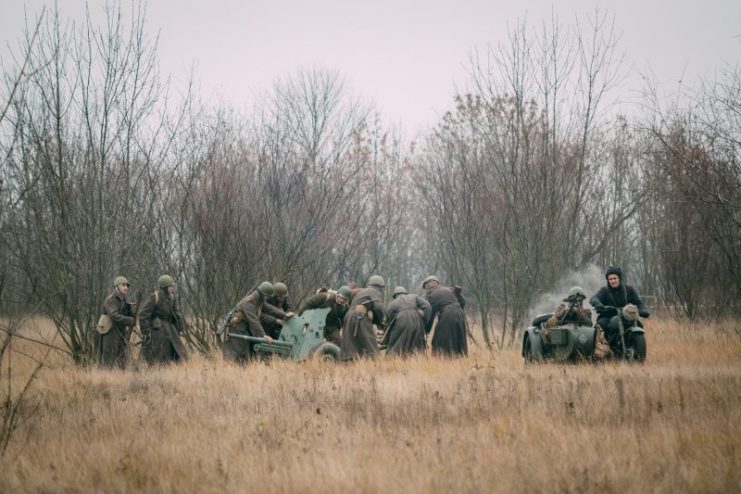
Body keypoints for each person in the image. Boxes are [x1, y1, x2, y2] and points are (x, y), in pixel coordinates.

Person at [223, 282, 294, 364]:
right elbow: (253, 320)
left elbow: (270, 309)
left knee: (246, 352)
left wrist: (285, 314)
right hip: (237, 328)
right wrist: (263, 335)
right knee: (240, 352)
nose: (268, 298)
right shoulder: (249, 302)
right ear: (264, 294)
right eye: (267, 296)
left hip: (244, 327)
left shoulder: (258, 300)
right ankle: (233, 370)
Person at [589, 266, 650, 353]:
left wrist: (642, 310)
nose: (613, 281)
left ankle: (635, 348)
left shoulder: (629, 289)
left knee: (638, 324)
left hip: (625, 315)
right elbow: (594, 298)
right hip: (608, 316)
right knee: (600, 325)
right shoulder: (604, 290)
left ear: (619, 278)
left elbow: (638, 302)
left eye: (615, 278)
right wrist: (598, 303)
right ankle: (601, 351)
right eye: (610, 279)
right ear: (608, 280)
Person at [139, 275, 189, 365]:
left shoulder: (172, 297)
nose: (172, 288)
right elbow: (143, 315)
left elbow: (176, 312)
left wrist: (180, 325)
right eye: (170, 286)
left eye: (173, 286)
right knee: (156, 352)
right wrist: (146, 331)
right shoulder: (154, 297)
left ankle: (170, 367)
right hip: (156, 329)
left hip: (169, 327)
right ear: (164, 287)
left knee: (177, 349)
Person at [340, 275, 387, 361]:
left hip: (349, 317)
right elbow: (378, 307)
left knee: (351, 345)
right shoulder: (373, 291)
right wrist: (382, 322)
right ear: (379, 287)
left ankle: (349, 364)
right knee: (370, 344)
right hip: (360, 317)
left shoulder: (362, 291)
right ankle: (375, 363)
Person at [423, 275, 468, 357]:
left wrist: (426, 331)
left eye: (426, 287)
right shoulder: (450, 289)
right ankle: (461, 359)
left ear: (428, 286)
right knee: (459, 338)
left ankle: (444, 360)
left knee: (439, 339)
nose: (427, 290)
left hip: (448, 315)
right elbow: (463, 301)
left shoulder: (432, 295)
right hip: (460, 313)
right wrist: (457, 311)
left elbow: (431, 315)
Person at [381, 286, 431, 357]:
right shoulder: (414, 296)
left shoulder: (392, 304)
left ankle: (392, 360)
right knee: (417, 342)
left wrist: (386, 338)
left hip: (401, 319)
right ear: (405, 293)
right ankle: (418, 359)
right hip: (417, 319)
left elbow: (389, 323)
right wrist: (425, 318)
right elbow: (427, 305)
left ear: (395, 295)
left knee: (396, 343)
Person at [98, 276, 136, 369]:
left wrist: (132, 312)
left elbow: (126, 314)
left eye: (127, 286)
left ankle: (120, 377)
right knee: (108, 358)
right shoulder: (110, 299)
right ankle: (105, 379)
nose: (126, 287)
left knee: (122, 357)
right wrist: (128, 320)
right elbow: (114, 315)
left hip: (120, 330)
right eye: (123, 285)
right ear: (116, 287)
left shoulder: (123, 299)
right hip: (110, 331)